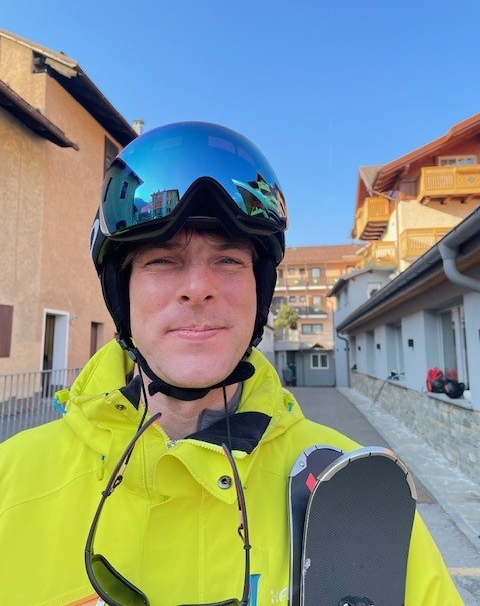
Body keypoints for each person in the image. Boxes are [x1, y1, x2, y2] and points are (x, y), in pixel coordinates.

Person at [0, 121, 462, 606]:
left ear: (260, 288)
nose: (198, 288)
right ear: (121, 290)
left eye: (228, 260)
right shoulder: (12, 482)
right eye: (162, 259)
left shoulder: (353, 487)